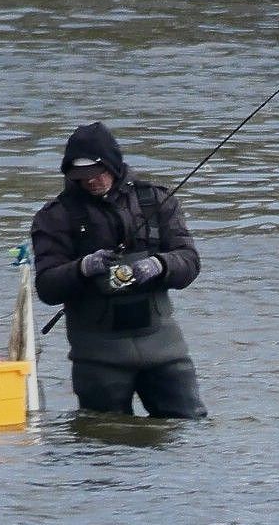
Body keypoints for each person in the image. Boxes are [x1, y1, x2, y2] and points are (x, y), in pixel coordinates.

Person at [30, 121, 207, 419]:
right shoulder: (55, 217)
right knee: (105, 440)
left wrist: (160, 265)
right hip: (98, 357)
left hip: (164, 351)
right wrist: (84, 268)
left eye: (97, 173)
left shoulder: (156, 199)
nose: (91, 182)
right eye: (81, 177)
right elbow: (47, 286)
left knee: (190, 427)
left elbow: (189, 261)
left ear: (113, 165)